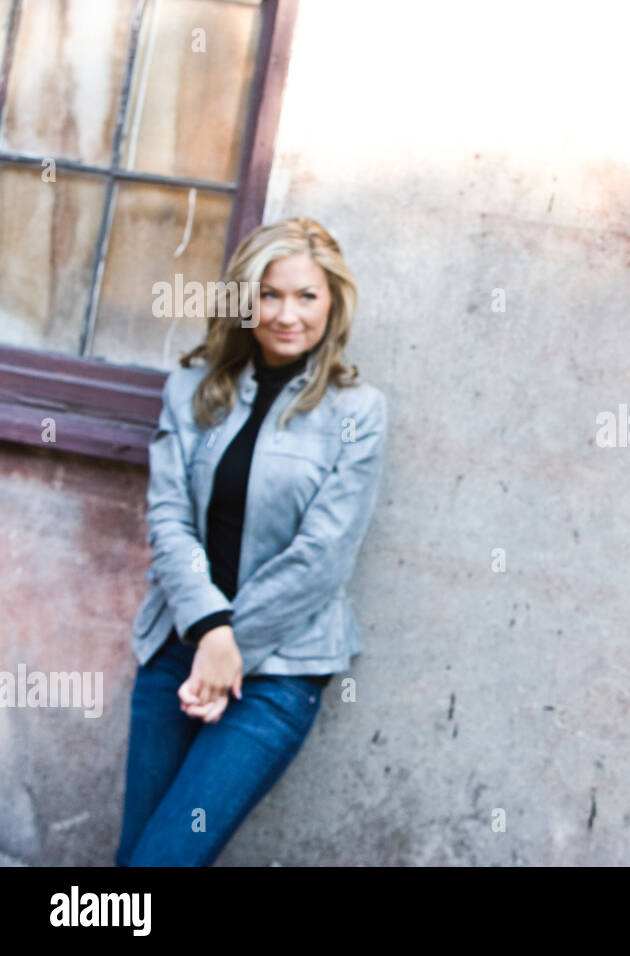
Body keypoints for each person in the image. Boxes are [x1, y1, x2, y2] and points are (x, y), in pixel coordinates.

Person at [116, 218, 387, 866]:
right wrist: (210, 630)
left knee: (163, 862)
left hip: (281, 668)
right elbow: (169, 517)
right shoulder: (190, 392)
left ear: (333, 303)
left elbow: (325, 552)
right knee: (134, 865)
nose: (286, 314)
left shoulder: (359, 412)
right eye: (269, 294)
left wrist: (233, 644)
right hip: (179, 648)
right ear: (243, 299)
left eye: (306, 296)